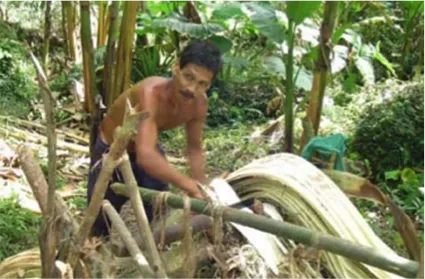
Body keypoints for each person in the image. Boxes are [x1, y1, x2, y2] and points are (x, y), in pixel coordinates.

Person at [87, 40, 222, 237]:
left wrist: (200, 189)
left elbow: (194, 148)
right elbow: (146, 156)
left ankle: (152, 251)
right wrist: (189, 185)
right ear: (176, 67)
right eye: (188, 77)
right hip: (112, 149)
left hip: (143, 143)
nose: (192, 89)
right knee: (99, 219)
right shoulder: (150, 93)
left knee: (160, 209)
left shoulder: (199, 103)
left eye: (202, 84)